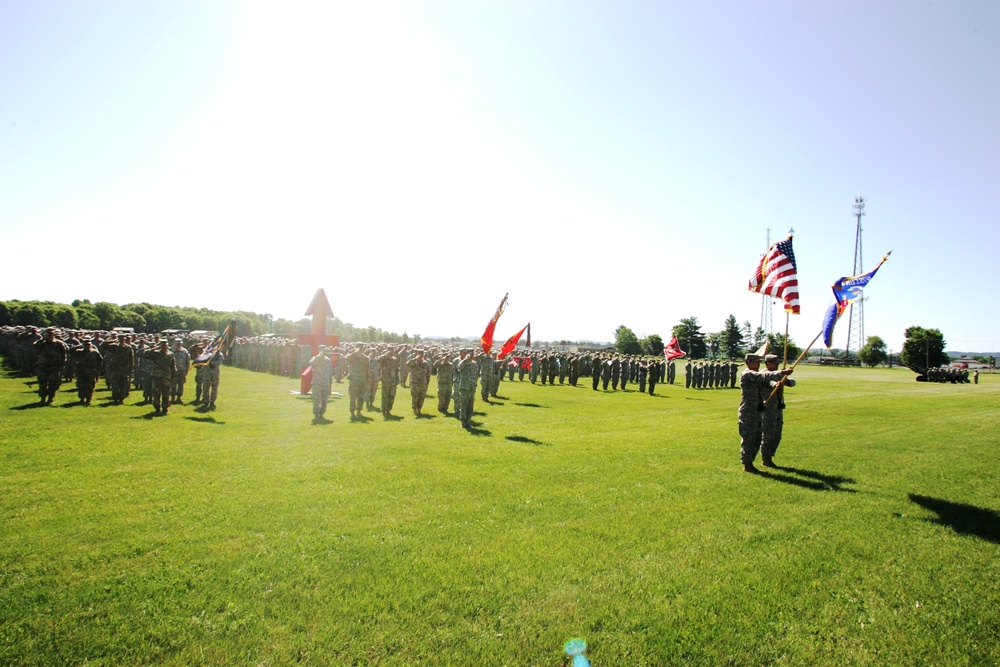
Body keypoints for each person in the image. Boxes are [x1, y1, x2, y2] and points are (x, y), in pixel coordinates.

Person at [738, 353, 792, 473]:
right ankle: (747, 464)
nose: (758, 364)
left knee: (757, 438)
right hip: (748, 411)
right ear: (748, 362)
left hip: (757, 410)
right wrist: (782, 373)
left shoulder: (755, 374)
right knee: (749, 438)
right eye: (756, 362)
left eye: (758, 362)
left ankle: (751, 462)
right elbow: (763, 376)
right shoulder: (747, 374)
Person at [760, 354, 796, 468]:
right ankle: (766, 458)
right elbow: (768, 382)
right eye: (774, 363)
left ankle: (770, 455)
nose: (777, 365)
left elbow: (793, 382)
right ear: (768, 363)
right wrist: (776, 384)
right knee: (768, 434)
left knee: (777, 434)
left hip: (778, 407)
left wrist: (784, 380)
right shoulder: (763, 374)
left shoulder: (779, 374)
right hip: (768, 408)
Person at [34, 328, 68, 404]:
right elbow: (35, 346)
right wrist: (43, 340)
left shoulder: (59, 344)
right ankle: (43, 398)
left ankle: (50, 398)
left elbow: (64, 354)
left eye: (51, 334)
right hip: (43, 366)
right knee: (42, 383)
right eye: (48, 334)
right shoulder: (42, 343)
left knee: (53, 383)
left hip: (54, 367)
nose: (50, 335)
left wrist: (62, 364)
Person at [147, 339, 177, 415]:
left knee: (166, 393)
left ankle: (165, 408)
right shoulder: (156, 353)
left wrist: (174, 374)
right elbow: (145, 354)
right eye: (163, 345)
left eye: (165, 345)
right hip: (157, 376)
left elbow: (173, 365)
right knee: (156, 393)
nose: (164, 347)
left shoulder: (170, 354)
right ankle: (157, 408)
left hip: (166, 376)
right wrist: (156, 347)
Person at [73, 338, 104, 404]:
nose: (87, 346)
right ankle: (82, 398)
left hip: (91, 371)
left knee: (90, 386)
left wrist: (98, 369)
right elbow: (70, 351)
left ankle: (88, 398)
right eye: (85, 345)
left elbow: (100, 360)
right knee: (81, 386)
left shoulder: (94, 352)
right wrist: (78, 346)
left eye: (88, 345)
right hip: (81, 371)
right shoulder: (79, 352)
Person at [453, 348, 478, 428]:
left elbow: (476, 374)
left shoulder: (474, 363)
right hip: (464, 387)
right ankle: (463, 422)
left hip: (472, 387)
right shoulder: (463, 362)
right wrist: (466, 359)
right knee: (464, 405)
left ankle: (468, 421)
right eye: (470, 353)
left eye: (472, 353)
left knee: (470, 406)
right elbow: (459, 368)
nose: (471, 354)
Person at [308, 346, 334, 421]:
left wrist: (330, 383)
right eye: (322, 350)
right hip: (317, 382)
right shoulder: (315, 358)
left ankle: (321, 414)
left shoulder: (328, 360)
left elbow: (330, 372)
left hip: (326, 383)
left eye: (325, 350)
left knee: (324, 401)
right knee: (316, 400)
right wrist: (319, 356)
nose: (324, 352)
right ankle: (316, 415)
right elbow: (311, 364)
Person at [408, 348, 431, 416]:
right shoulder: (413, 362)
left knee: (421, 397)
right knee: (415, 397)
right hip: (415, 383)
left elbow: (428, 372)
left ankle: (419, 409)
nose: (421, 355)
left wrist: (427, 381)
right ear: (417, 354)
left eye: (422, 354)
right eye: (419, 354)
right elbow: (407, 364)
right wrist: (415, 358)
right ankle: (414, 409)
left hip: (423, 383)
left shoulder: (425, 363)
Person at [378, 346, 400, 416]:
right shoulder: (384, 358)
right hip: (385, 380)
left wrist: (397, 379)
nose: (391, 352)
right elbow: (378, 360)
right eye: (389, 350)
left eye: (392, 350)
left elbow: (396, 370)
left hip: (393, 381)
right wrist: (385, 355)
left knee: (392, 396)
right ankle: (384, 410)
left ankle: (388, 410)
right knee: (385, 396)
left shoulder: (395, 359)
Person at [170, 338, 191, 404]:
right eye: (178, 343)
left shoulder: (185, 351)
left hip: (182, 370)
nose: (179, 345)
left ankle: (179, 398)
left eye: (180, 343)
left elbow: (187, 361)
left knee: (181, 384)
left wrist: (187, 370)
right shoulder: (171, 351)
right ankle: (173, 397)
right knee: (173, 384)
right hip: (173, 370)